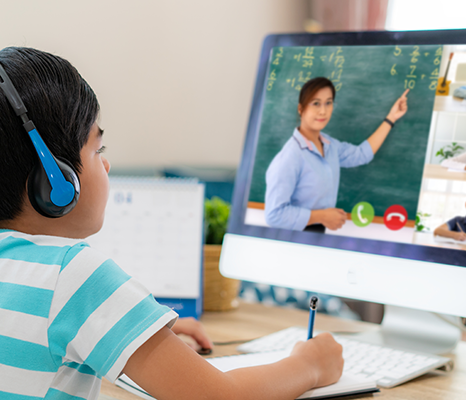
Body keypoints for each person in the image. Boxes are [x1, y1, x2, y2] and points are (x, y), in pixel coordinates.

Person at [0, 47, 343, 400]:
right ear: (54, 182)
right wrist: (310, 364)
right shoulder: (72, 274)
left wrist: (138, 336)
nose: (106, 165)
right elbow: (221, 397)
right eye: (98, 150)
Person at [265, 77, 409, 232]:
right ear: (300, 109)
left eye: (328, 103)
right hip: (293, 240)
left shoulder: (329, 145)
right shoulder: (291, 156)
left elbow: (361, 154)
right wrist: (321, 216)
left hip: (317, 235)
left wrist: (391, 118)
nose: (323, 111)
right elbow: (274, 215)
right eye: (316, 103)